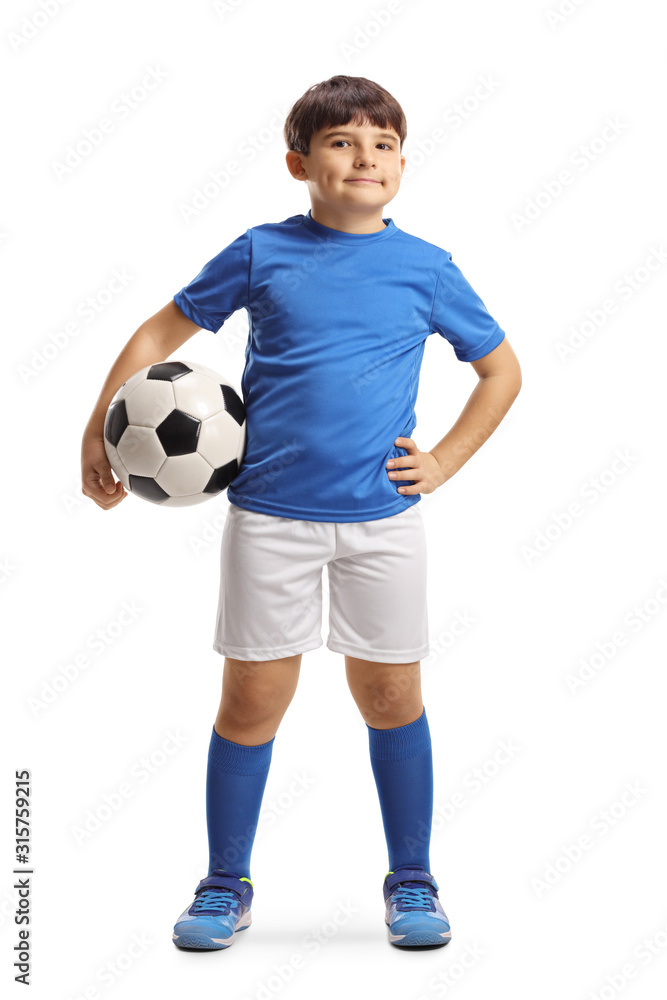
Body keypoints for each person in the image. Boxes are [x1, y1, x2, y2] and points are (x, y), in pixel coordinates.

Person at [80, 74, 522, 951]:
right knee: (251, 699)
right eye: (342, 142)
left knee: (391, 693)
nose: (366, 157)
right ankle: (223, 883)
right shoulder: (261, 252)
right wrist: (97, 424)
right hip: (270, 520)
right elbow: (158, 334)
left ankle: (412, 878)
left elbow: (501, 370)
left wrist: (442, 460)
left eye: (383, 144)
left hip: (381, 522)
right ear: (299, 162)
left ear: (401, 163)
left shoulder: (427, 268)